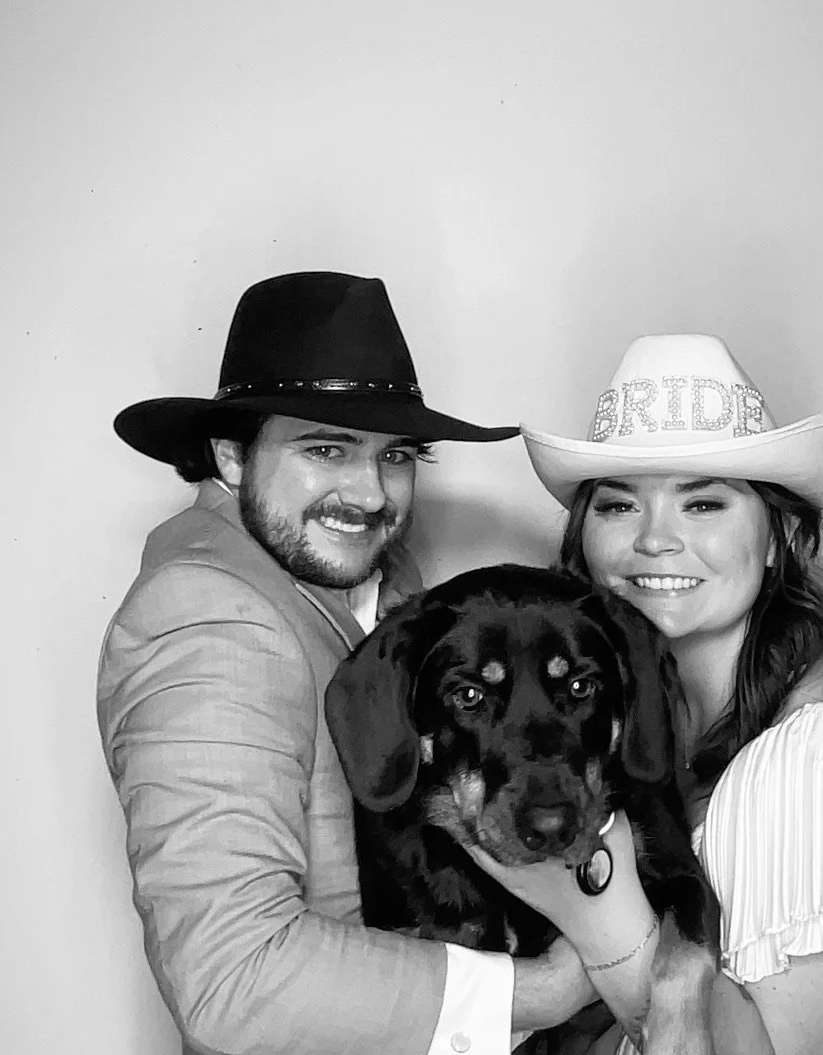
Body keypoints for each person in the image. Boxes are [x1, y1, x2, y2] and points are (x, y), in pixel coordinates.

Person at [470, 332, 823, 1054]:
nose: (654, 540)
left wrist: (585, 909)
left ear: (778, 538)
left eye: (703, 504)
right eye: (618, 506)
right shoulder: (625, 720)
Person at [97, 271, 596, 1055]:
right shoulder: (207, 615)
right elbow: (233, 977)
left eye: (395, 455)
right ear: (231, 456)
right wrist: (544, 992)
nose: (368, 494)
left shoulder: (381, 585)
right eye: (325, 449)